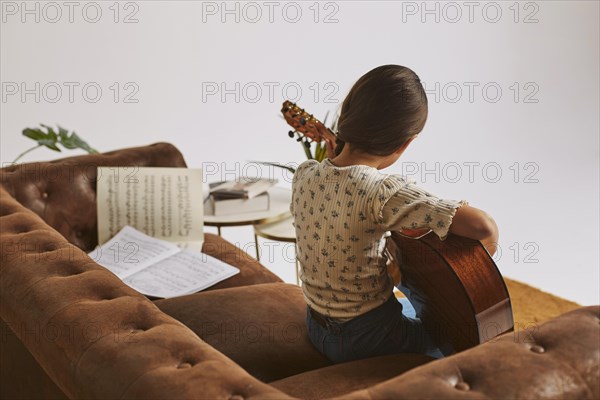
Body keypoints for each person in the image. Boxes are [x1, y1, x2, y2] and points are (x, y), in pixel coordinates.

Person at [289, 64, 499, 364]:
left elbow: (341, 187)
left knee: (411, 306)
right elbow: (484, 227)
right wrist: (467, 282)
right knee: (464, 335)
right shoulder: (383, 192)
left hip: (317, 328)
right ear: (406, 142)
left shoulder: (305, 174)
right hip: (369, 339)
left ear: (346, 115)